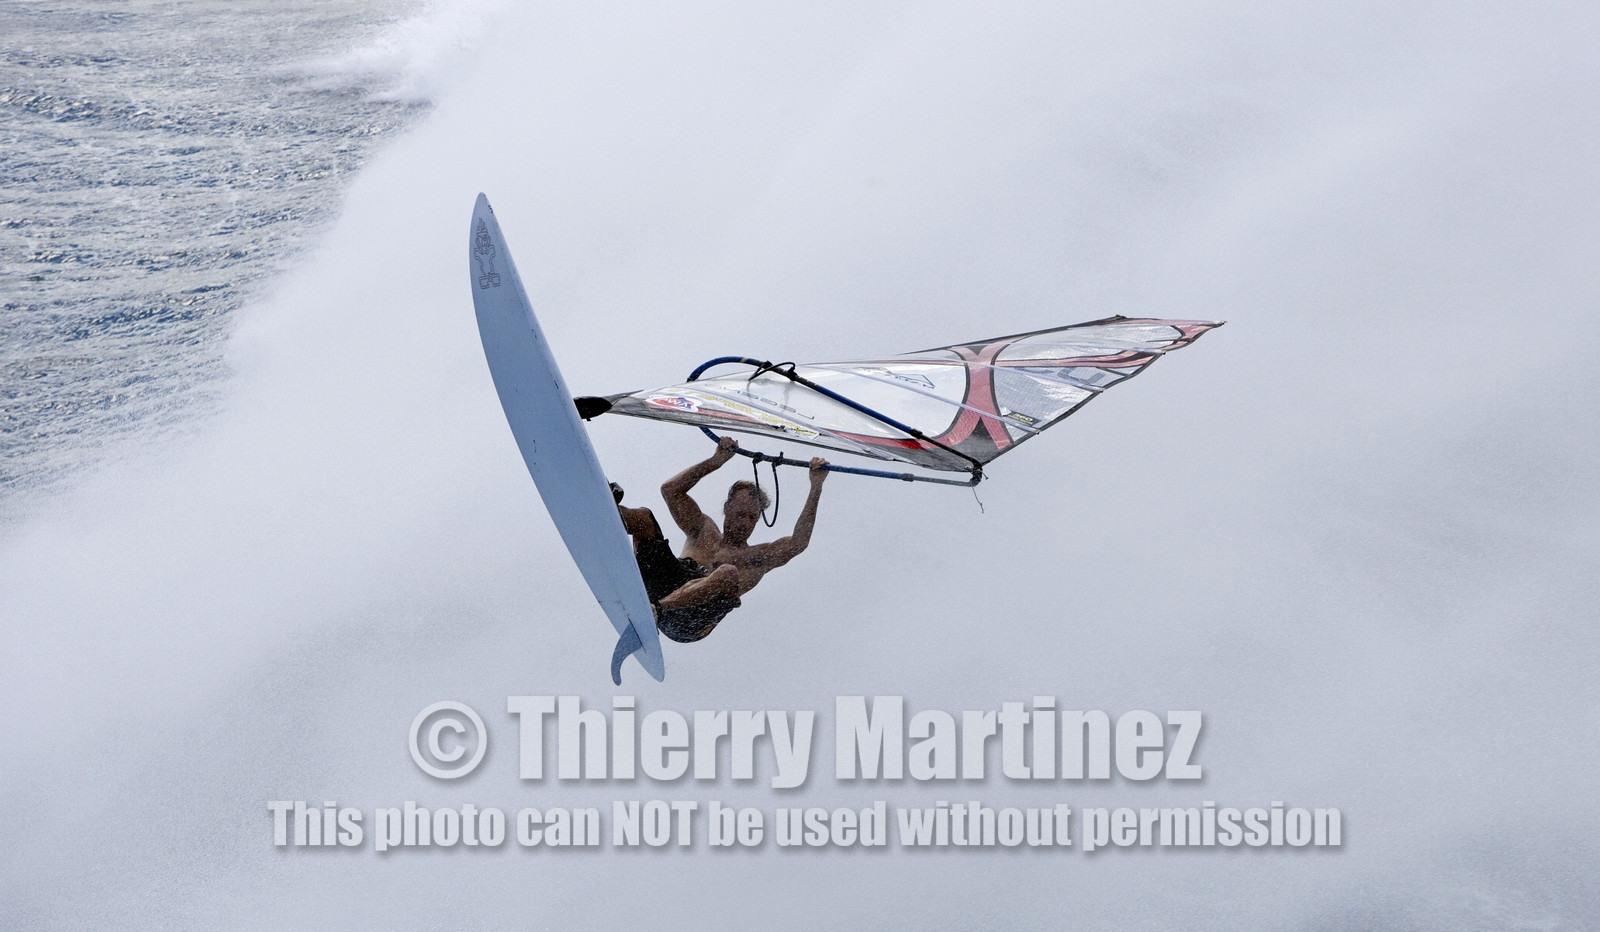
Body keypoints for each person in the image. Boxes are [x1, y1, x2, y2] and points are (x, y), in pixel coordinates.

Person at [615, 437, 828, 643]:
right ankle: (603, 509)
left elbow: (798, 543)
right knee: (643, 518)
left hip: (690, 620)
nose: (745, 522)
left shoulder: (758, 557)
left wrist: (816, 486)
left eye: (752, 517)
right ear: (727, 509)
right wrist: (716, 461)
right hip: (663, 585)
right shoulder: (703, 529)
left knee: (727, 572)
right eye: (740, 514)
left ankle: (655, 611)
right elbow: (670, 490)